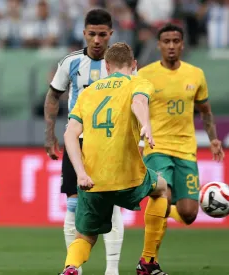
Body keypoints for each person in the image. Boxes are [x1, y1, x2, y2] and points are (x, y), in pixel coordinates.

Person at [60, 42, 170, 275]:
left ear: (107, 67)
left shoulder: (88, 92)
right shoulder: (139, 82)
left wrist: (80, 173)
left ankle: (70, 268)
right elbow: (138, 102)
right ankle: (148, 261)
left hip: (92, 178)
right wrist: (146, 124)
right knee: (161, 189)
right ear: (134, 65)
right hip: (127, 176)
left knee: (86, 236)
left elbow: (70, 134)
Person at [44, 9, 124, 275]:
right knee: (74, 202)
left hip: (110, 142)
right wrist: (49, 133)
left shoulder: (122, 64)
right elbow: (53, 96)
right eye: (92, 34)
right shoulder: (71, 62)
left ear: (111, 34)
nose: (97, 40)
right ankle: (73, 268)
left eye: (103, 34)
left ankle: (111, 269)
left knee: (109, 202)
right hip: (76, 140)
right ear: (84, 34)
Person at [138, 23, 225, 261]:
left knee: (188, 214)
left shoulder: (195, 74)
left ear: (182, 45)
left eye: (176, 41)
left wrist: (214, 139)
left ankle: (167, 213)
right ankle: (149, 260)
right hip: (157, 148)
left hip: (186, 150)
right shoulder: (145, 75)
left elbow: (205, 111)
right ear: (159, 45)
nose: (171, 46)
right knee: (161, 197)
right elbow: (134, 110)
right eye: (166, 41)